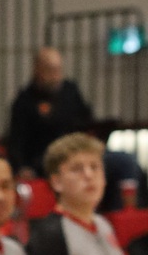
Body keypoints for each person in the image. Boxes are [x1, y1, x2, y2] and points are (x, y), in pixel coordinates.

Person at [7, 48, 95, 181]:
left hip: (76, 154)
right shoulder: (25, 100)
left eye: (59, 69)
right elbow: (16, 141)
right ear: (37, 69)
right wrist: (21, 167)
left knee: (120, 161)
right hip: (43, 162)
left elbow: (87, 122)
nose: (56, 75)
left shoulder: (70, 91)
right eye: (51, 70)